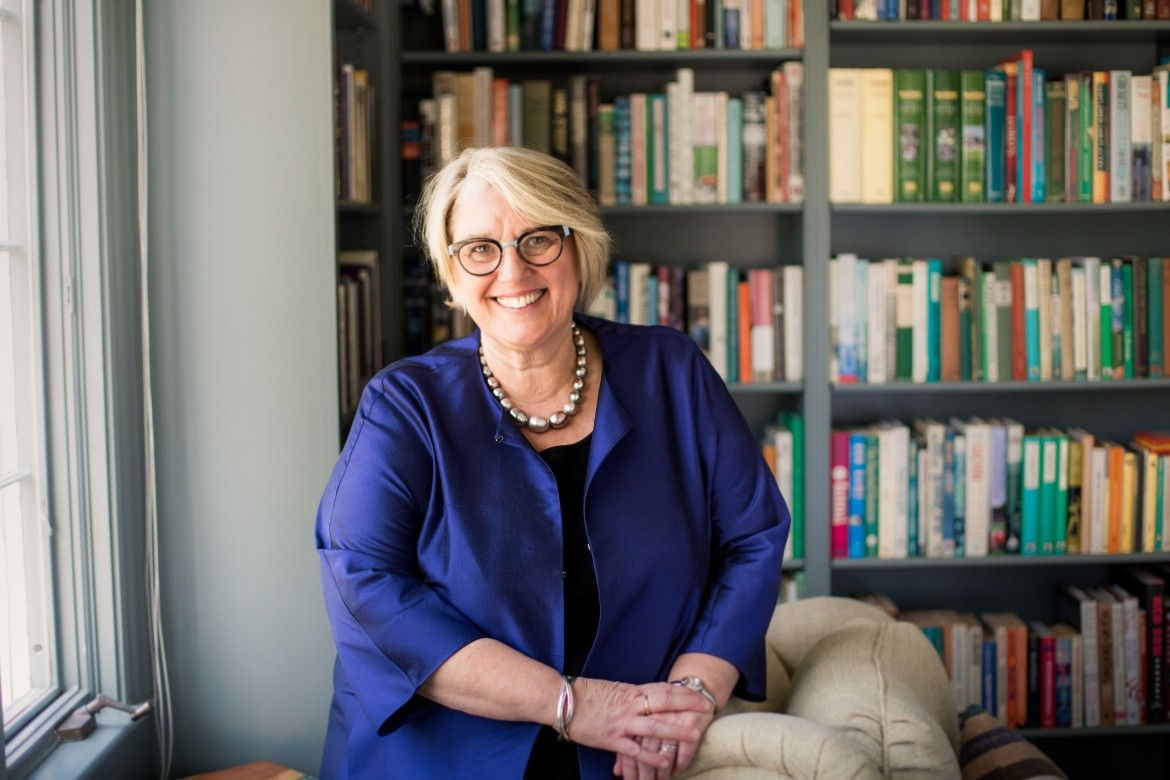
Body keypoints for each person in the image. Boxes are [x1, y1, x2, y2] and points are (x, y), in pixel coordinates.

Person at [315, 146, 790, 779]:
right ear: (453, 274)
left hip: (634, 747)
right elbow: (361, 579)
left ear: (579, 246)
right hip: (442, 754)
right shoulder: (404, 406)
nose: (512, 271)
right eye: (480, 249)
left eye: (538, 239)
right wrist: (572, 705)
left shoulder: (673, 374)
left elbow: (753, 536)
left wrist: (691, 698)